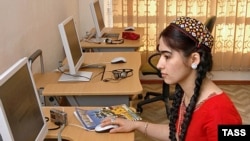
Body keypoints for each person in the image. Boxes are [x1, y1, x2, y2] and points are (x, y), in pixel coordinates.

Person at [101, 16, 242, 141]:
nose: (159, 64)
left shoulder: (221, 114)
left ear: (194, 59)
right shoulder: (187, 93)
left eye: (167, 56)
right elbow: (178, 133)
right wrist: (136, 124)